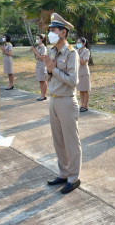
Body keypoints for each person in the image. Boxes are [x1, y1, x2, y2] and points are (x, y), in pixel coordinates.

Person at [43, 13, 81, 194]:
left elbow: (73, 80)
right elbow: (49, 76)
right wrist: (49, 71)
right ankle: (63, 173)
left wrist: (54, 70)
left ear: (63, 33)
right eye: (49, 30)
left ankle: (74, 178)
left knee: (71, 142)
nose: (50, 33)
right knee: (58, 141)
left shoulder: (72, 53)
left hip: (66, 101)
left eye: (53, 30)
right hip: (54, 100)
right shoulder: (52, 51)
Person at [76, 37, 91, 112]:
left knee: (85, 89)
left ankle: (85, 105)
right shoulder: (77, 50)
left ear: (84, 43)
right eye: (77, 42)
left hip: (84, 72)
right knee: (81, 89)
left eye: (79, 43)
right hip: (78, 72)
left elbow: (84, 61)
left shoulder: (86, 51)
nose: (78, 44)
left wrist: (77, 57)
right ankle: (82, 104)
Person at [31, 34, 48, 101]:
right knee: (40, 80)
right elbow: (36, 57)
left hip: (42, 64)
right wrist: (34, 51)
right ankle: (42, 94)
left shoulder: (43, 47)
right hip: (38, 63)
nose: (37, 40)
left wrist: (35, 51)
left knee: (43, 80)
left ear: (41, 39)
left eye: (38, 38)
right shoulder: (38, 47)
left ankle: (43, 95)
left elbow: (42, 57)